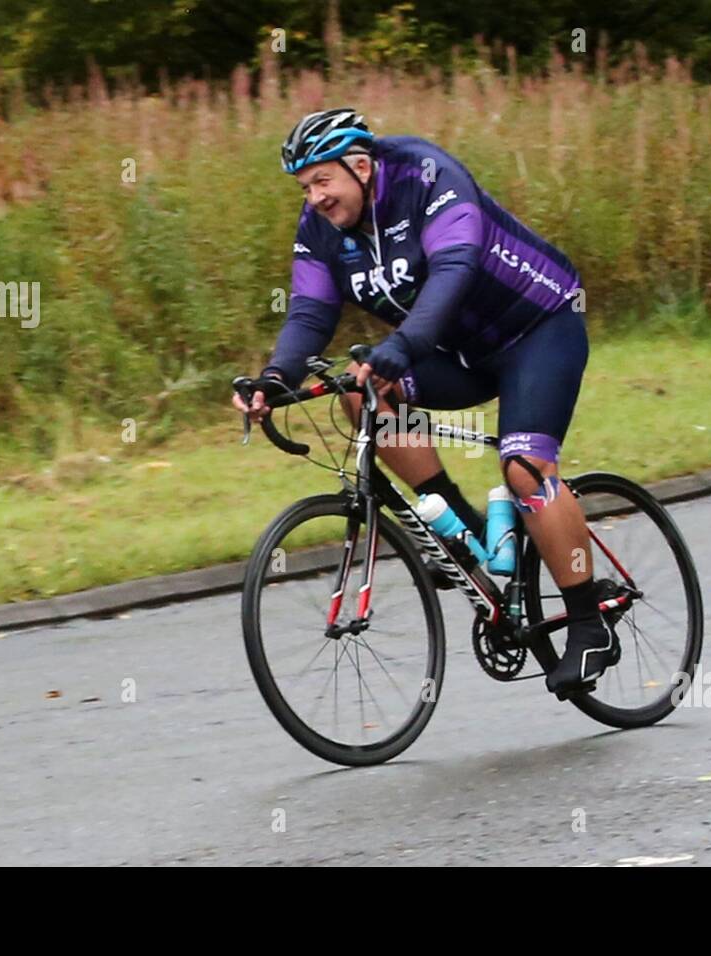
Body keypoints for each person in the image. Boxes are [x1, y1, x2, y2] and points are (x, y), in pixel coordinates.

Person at [233, 108, 618, 694]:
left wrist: (404, 345)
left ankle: (589, 623)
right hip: (458, 352)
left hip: (537, 329)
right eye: (305, 187)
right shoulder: (322, 228)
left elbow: (454, 268)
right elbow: (310, 312)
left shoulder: (426, 175)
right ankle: (460, 532)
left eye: (322, 181)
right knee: (364, 395)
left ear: (361, 166)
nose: (314, 198)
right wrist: (272, 379)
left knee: (523, 468)